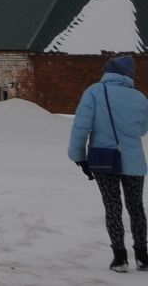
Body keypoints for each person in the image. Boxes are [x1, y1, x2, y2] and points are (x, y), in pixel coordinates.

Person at [70, 54, 148, 273]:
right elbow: (142, 129)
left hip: (104, 159)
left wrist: (79, 156)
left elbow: (81, 127)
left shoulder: (94, 92)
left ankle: (120, 259)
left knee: (112, 206)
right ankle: (143, 257)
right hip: (134, 161)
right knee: (136, 208)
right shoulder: (140, 98)